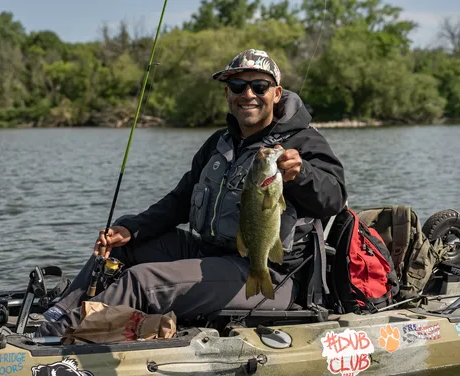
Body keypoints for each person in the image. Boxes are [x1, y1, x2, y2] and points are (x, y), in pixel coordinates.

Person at [36, 49, 347, 337]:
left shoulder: (304, 142)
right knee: (122, 248)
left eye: (259, 87)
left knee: (144, 280)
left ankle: (63, 335)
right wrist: (131, 228)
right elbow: (180, 201)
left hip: (268, 273)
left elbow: (333, 199)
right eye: (238, 86)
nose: (248, 94)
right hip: (209, 254)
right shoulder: (218, 143)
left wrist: (303, 173)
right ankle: (57, 315)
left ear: (276, 94)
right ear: (227, 93)